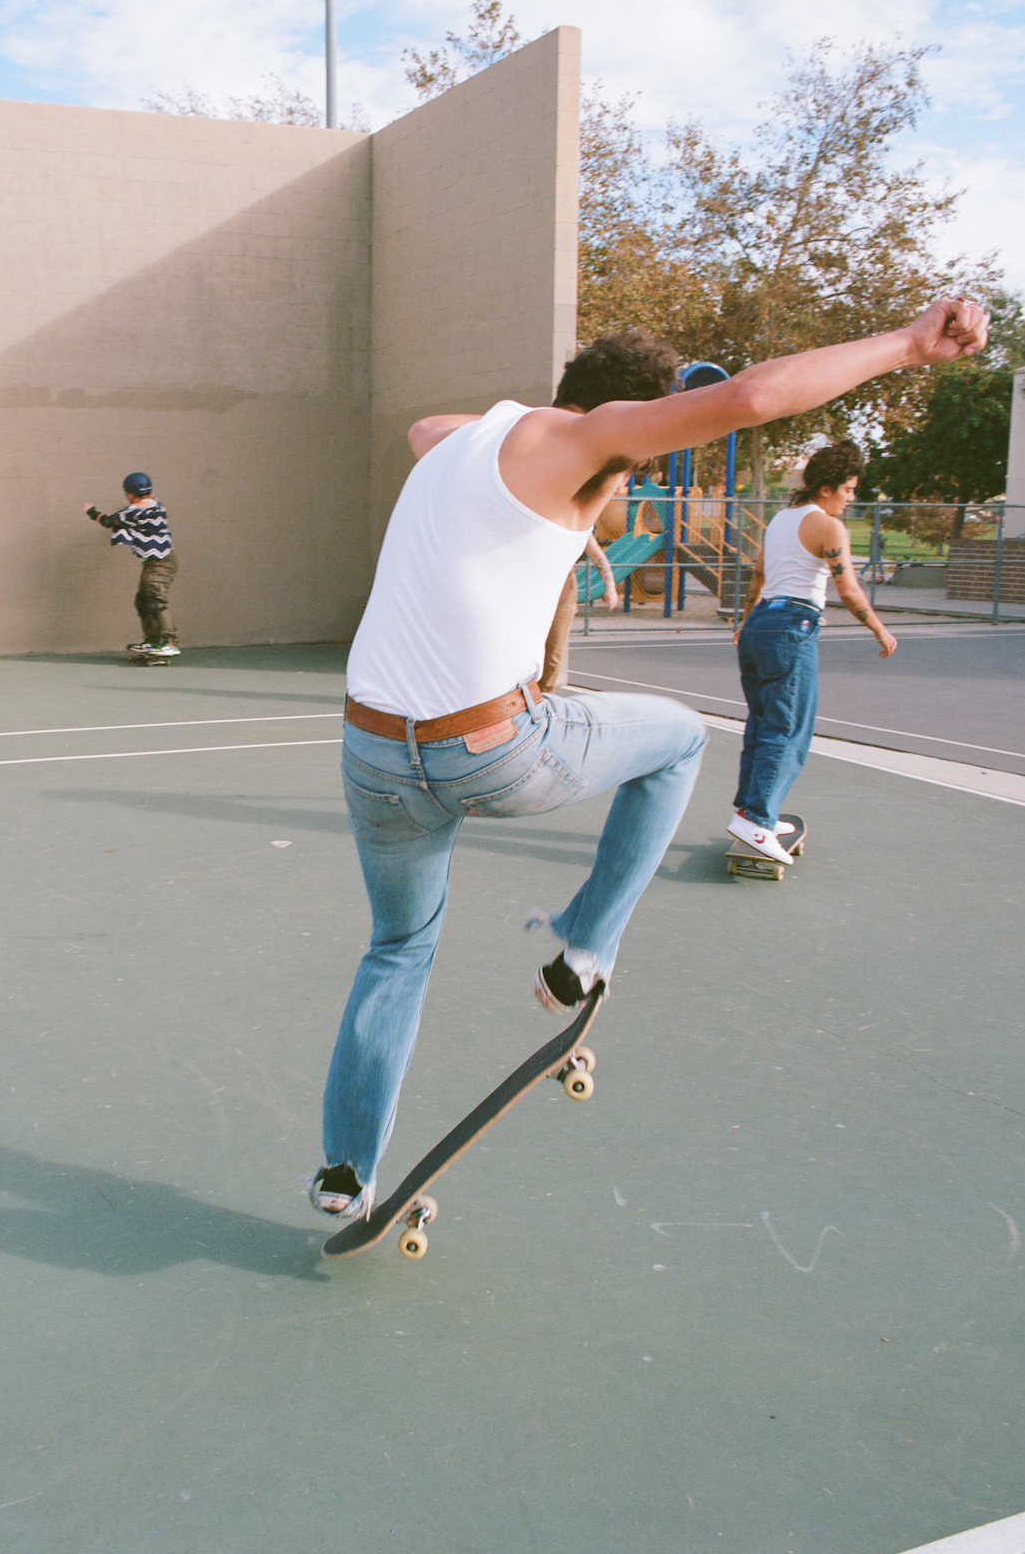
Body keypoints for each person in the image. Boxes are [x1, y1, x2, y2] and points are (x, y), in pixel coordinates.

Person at [311, 299, 987, 1220]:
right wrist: (910, 344)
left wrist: (565, 512)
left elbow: (428, 426)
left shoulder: (487, 438)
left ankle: (346, 1172)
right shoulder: (588, 437)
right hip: (487, 750)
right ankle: (581, 952)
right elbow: (753, 398)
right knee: (678, 738)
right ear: (622, 420)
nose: (646, 473)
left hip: (370, 751)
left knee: (397, 948)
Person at [726, 441, 898, 864]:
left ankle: (750, 808)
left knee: (763, 721)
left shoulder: (780, 520)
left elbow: (759, 575)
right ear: (826, 488)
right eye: (849, 489)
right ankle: (758, 821)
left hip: (761, 624)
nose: (851, 498)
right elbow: (848, 589)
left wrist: (745, 621)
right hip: (792, 628)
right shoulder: (828, 526)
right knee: (788, 729)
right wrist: (879, 628)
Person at [82, 472, 178, 656]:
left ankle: (170, 642)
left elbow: (109, 521)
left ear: (130, 493)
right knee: (142, 600)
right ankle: (153, 641)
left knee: (155, 601)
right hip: (156, 562)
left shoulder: (134, 511)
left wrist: (91, 512)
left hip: (161, 563)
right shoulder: (156, 504)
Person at [539, 528, 620, 691]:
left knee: (553, 652)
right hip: (533, 587)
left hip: (563, 590)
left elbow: (597, 554)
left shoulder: (574, 523)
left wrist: (610, 586)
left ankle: (545, 698)